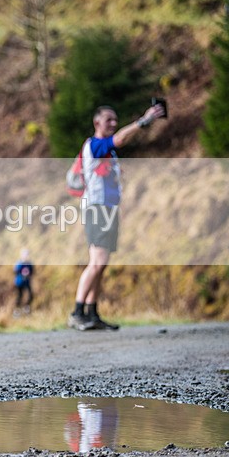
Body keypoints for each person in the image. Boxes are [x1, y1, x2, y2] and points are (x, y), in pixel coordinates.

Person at [67, 103, 164, 331]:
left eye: (115, 119)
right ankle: (77, 313)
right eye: (108, 119)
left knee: (101, 265)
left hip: (108, 209)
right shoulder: (95, 144)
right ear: (97, 123)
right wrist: (143, 121)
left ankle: (92, 313)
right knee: (97, 262)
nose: (113, 123)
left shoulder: (107, 152)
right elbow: (120, 139)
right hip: (97, 209)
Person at [13, 248, 34, 315]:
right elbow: (15, 271)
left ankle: (26, 308)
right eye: (25, 255)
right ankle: (17, 311)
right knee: (20, 296)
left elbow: (32, 272)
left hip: (27, 282)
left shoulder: (29, 264)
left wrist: (28, 275)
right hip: (19, 283)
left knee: (30, 295)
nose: (26, 256)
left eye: (27, 255)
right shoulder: (19, 263)